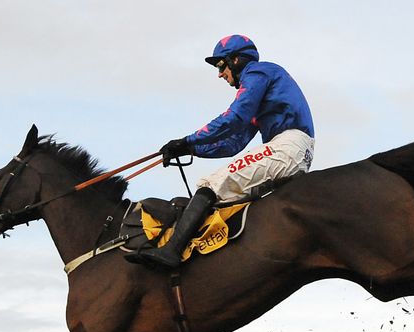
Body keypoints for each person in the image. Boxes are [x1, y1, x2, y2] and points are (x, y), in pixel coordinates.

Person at [132, 34, 315, 269]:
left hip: (287, 147)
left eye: (221, 65)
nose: (220, 74)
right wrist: (190, 149)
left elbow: (234, 117)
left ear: (236, 60)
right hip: (291, 150)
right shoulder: (263, 90)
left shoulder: (257, 72)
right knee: (224, 197)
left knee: (211, 184)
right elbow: (234, 143)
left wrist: (187, 140)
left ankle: (171, 251)